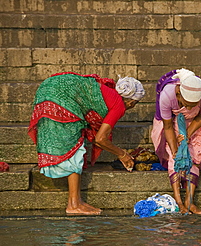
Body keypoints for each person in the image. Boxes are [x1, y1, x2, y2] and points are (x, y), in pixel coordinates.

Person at [28, 72, 145, 215]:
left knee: (75, 146)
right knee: (73, 149)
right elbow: (100, 139)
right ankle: (73, 205)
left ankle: (76, 201)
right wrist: (122, 154)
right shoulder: (119, 105)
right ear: (132, 102)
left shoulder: (108, 92)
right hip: (59, 94)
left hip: (48, 87)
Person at [151, 69, 201, 214]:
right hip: (174, 122)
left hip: (196, 124)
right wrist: (175, 150)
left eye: (194, 105)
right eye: (187, 104)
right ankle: (179, 202)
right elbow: (167, 126)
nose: (190, 108)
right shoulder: (167, 95)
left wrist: (186, 135)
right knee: (175, 159)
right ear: (179, 94)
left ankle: (189, 202)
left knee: (194, 156)